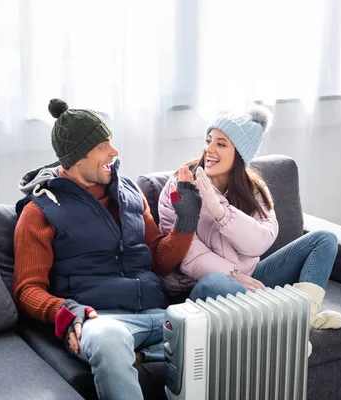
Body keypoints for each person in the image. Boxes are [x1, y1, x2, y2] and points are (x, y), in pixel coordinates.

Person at [13, 99, 202, 399]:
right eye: (103, 145)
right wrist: (66, 310)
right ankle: (150, 352)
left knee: (220, 292)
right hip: (103, 321)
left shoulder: (130, 192)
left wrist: (187, 221)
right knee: (108, 338)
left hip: (160, 312)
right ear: (78, 156)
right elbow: (27, 289)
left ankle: (150, 352)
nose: (114, 152)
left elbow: (160, 260)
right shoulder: (39, 212)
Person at [157, 106, 341, 339]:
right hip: (195, 288)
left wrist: (220, 211)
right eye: (209, 140)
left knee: (324, 239)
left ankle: (305, 315)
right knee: (215, 281)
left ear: (241, 153)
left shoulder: (255, 189)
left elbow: (259, 243)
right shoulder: (180, 184)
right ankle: (285, 329)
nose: (209, 149)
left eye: (221, 144)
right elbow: (188, 256)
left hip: (250, 280)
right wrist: (232, 276)